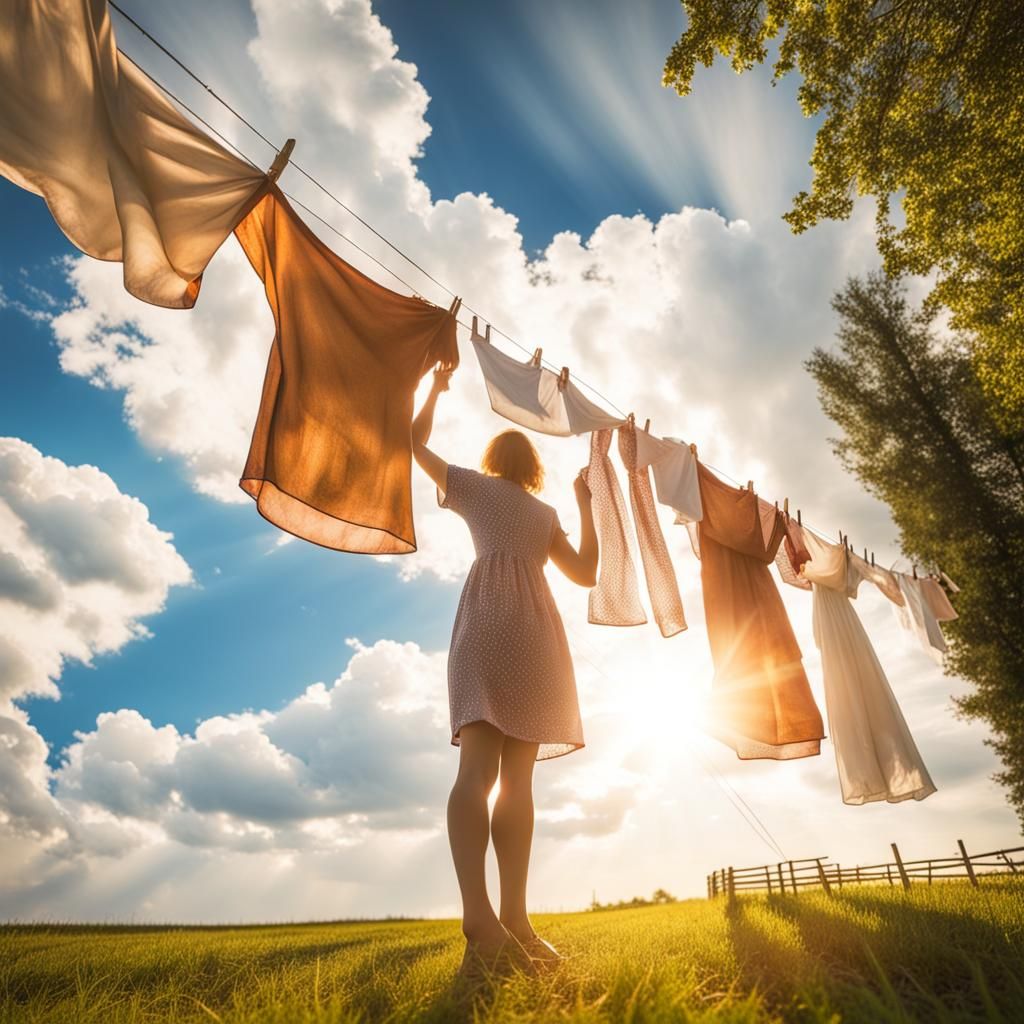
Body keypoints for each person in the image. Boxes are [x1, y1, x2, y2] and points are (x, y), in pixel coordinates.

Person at [411, 367, 598, 977]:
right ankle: (513, 918)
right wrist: (585, 505)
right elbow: (588, 574)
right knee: (518, 782)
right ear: (535, 470)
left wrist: (435, 390)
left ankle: (481, 918)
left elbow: (413, 445)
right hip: (539, 637)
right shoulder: (544, 514)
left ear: (494, 461)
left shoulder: (475, 489)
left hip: (487, 628)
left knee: (476, 773)